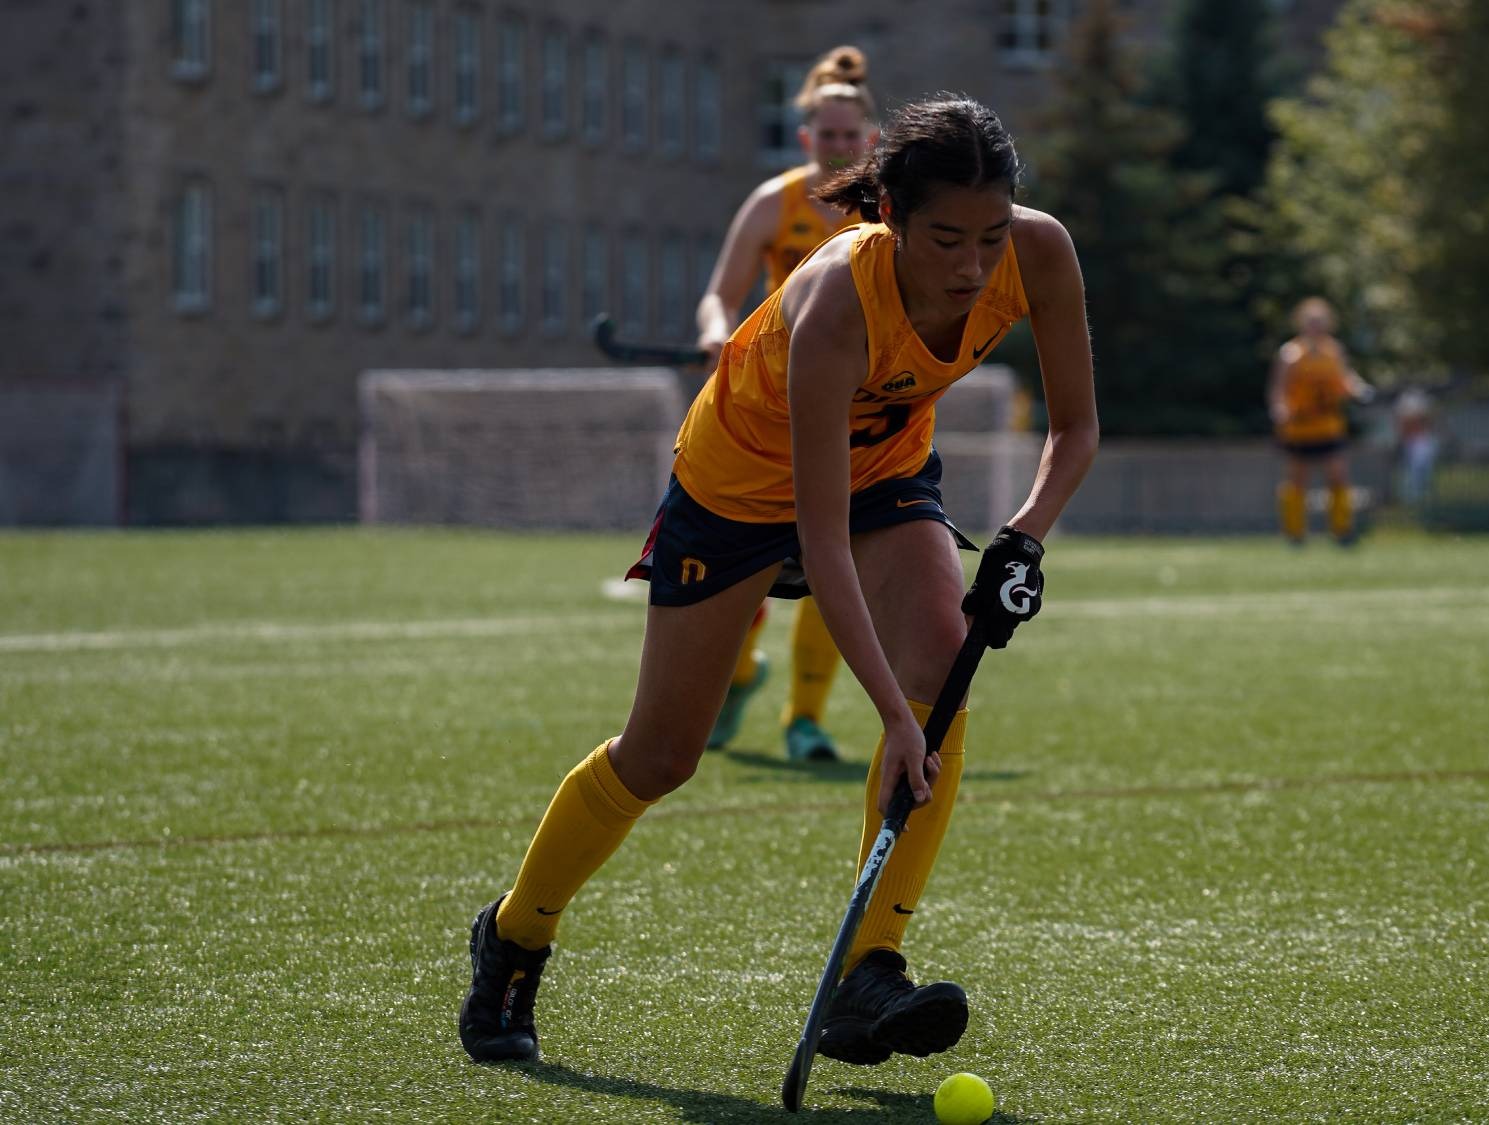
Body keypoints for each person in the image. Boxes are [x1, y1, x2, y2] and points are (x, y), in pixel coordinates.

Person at [459, 97, 1099, 1069]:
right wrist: (886, 716)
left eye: (990, 235)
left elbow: (1076, 430)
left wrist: (1021, 539)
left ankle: (867, 969)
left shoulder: (1038, 253)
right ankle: (515, 934)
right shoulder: (838, 296)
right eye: (944, 239)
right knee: (661, 755)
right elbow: (820, 541)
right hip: (736, 490)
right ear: (887, 210)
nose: (972, 267)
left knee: (942, 663)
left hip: (883, 472)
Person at [692, 46, 880, 762]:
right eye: (826, 137)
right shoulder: (775, 203)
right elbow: (720, 292)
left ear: (871, 140)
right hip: (770, 414)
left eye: (850, 136)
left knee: (842, 561)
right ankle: (738, 677)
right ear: (807, 139)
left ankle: (805, 719)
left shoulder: (887, 209)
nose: (838, 147)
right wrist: (715, 332)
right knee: (742, 570)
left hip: (859, 421)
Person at [1269, 298, 1372, 545]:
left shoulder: (1334, 351)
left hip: (1328, 425)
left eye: (1320, 322)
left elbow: (1345, 380)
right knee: (1297, 479)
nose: (1316, 327)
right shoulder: (1291, 354)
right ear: (1301, 324)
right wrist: (1280, 410)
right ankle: (1294, 533)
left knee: (1337, 476)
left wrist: (1359, 390)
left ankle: (1341, 531)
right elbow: (1279, 389)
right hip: (1299, 426)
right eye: (1311, 322)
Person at [1394, 385, 1439, 507]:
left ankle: (1422, 499)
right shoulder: (1405, 410)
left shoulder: (1423, 411)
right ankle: (1411, 500)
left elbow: (1427, 421)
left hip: (1423, 442)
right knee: (1410, 473)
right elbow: (1402, 424)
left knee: (1423, 473)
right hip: (1410, 443)